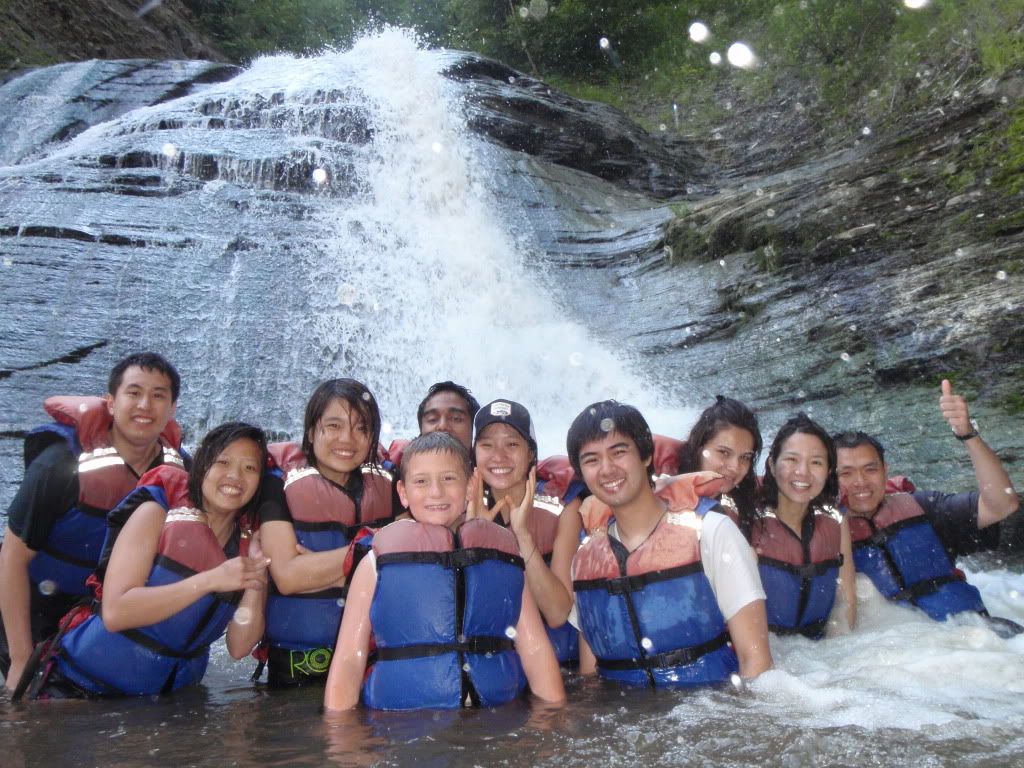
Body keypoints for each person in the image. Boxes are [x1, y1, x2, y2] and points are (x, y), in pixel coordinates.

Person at [23, 422, 270, 699]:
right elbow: (116, 613)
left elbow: (239, 649)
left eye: (249, 468)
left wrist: (254, 579)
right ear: (202, 467)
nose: (234, 476)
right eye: (223, 462)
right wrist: (211, 580)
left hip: (163, 703)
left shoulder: (248, 543)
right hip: (78, 690)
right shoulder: (154, 514)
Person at [323, 431, 565, 711]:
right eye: (421, 482)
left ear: (471, 485)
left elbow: (534, 649)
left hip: (493, 720)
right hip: (401, 723)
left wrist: (552, 718)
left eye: (448, 479)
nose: (435, 492)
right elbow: (349, 659)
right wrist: (340, 735)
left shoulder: (504, 556)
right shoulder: (376, 561)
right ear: (403, 492)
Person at [1, 352, 186, 691]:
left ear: (172, 409)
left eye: (158, 395)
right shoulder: (58, 465)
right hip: (33, 609)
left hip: (103, 614)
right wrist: (19, 656)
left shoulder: (179, 472)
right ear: (111, 403)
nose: (145, 405)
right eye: (134, 393)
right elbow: (12, 557)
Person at [567, 400, 772, 688]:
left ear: (646, 455)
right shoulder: (585, 560)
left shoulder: (712, 532)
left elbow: (757, 662)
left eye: (619, 452)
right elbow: (590, 677)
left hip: (711, 712)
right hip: (624, 719)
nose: (607, 469)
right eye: (591, 460)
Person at [835, 379, 1020, 630]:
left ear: (885, 471)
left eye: (870, 469)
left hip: (978, 637)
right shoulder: (826, 534)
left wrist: (968, 435)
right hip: (902, 655)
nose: (860, 482)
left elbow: (1003, 504)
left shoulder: (924, 508)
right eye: (845, 473)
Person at [258, 379, 399, 687]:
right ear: (311, 431)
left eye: (362, 428)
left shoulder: (391, 485)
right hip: (297, 675)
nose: (347, 439)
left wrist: (322, 570)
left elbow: (404, 568)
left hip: (371, 671)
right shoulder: (276, 485)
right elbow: (287, 577)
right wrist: (369, 550)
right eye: (334, 426)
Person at [469, 399, 582, 664]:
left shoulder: (563, 509)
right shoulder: (462, 508)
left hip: (558, 664)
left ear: (531, 453)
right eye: (487, 445)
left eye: (512, 444)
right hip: (500, 662)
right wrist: (477, 534)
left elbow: (557, 614)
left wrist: (521, 534)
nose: (499, 456)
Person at [754, 414, 856, 638]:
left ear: (829, 471)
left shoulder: (836, 520)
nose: (803, 472)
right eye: (792, 459)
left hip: (820, 658)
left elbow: (845, 604)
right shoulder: (747, 522)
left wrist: (838, 655)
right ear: (771, 464)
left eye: (816, 462)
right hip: (768, 656)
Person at [676, 396, 762, 525]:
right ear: (700, 446)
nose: (735, 467)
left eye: (745, 457)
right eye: (724, 452)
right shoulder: (659, 494)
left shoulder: (746, 505)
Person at [383, 381, 480, 469]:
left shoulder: (491, 477)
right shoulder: (392, 473)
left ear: (474, 430)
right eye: (432, 419)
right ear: (421, 432)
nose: (442, 426)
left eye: (456, 419)